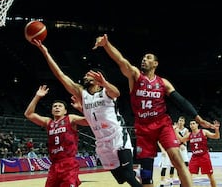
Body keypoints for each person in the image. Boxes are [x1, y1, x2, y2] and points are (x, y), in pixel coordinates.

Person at [93, 34, 215, 187]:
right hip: (143, 129)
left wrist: (198, 118)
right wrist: (106, 45)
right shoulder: (135, 76)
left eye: (148, 58)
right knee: (146, 175)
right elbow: (121, 60)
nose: (144, 59)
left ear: (155, 63)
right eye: (143, 57)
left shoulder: (163, 82)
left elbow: (181, 101)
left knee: (177, 159)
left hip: (162, 124)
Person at [31, 39, 141, 187]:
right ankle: (136, 175)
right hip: (102, 142)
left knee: (128, 175)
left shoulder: (105, 92)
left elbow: (117, 93)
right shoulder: (82, 94)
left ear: (97, 78)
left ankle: (134, 176)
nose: (85, 77)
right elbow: (61, 75)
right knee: (121, 179)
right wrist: (45, 52)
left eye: (89, 75)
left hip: (117, 136)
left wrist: (105, 83)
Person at [24, 85, 89, 187]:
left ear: (65, 111)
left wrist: (81, 108)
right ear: (51, 111)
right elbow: (28, 114)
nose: (57, 107)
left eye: (60, 106)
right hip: (54, 165)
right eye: (55, 106)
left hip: (69, 163)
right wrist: (37, 96)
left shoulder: (70, 118)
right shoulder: (48, 122)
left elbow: (90, 121)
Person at [175, 120, 220, 187]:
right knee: (188, 175)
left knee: (210, 175)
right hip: (195, 157)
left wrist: (216, 130)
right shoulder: (189, 134)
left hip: (204, 156)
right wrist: (175, 130)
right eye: (190, 124)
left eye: (193, 123)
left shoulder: (203, 132)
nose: (192, 125)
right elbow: (181, 140)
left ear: (197, 125)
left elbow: (216, 136)